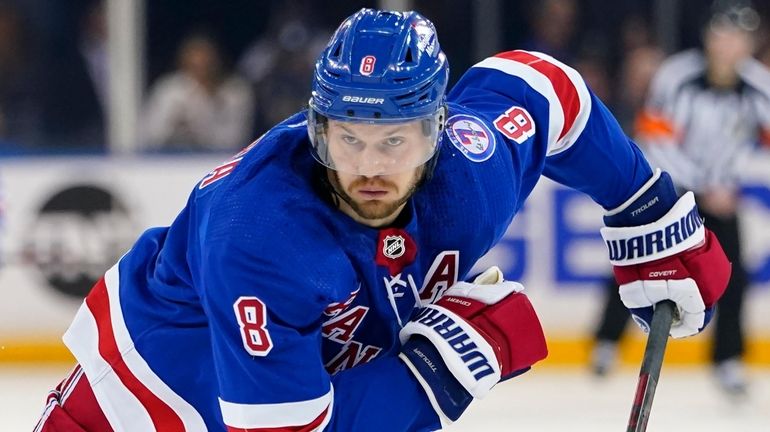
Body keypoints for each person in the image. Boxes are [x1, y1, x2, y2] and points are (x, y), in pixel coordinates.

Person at [35, 8, 731, 432]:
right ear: (317, 132)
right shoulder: (260, 234)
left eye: (395, 139)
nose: (370, 166)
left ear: (437, 132)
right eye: (349, 138)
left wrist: (644, 208)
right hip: (141, 402)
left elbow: (547, 90)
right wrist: (439, 371)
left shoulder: (470, 170)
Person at [591, 0, 770, 396]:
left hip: (723, 196)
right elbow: (654, 138)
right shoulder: (676, 76)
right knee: (638, 264)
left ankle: (728, 361)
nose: (727, 45)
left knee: (733, 277)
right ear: (708, 37)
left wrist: (736, 179)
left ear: (749, 43)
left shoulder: (760, 85)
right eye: (721, 34)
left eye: (737, 37)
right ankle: (606, 343)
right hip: (674, 192)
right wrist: (703, 186)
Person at [142, 33, 254, 152]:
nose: (202, 69)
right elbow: (151, 135)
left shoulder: (235, 92)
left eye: (207, 63)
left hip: (219, 160)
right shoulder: (170, 90)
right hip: (170, 161)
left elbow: (236, 139)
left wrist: (200, 123)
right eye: (195, 65)